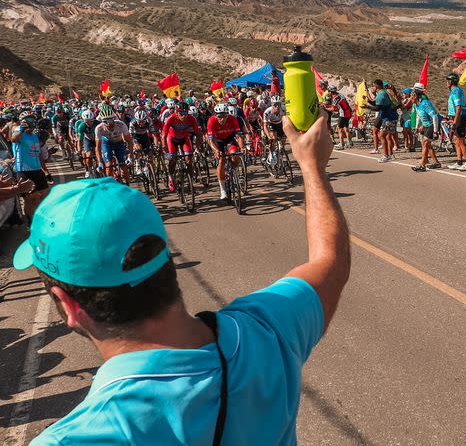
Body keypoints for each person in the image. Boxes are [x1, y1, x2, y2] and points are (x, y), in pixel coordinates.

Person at [15, 110, 350, 445]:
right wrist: (312, 167)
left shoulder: (76, 438)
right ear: (167, 262)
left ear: (67, 305)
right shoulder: (265, 330)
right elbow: (329, 262)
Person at [11, 114, 49, 218]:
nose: (32, 129)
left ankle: (41, 218)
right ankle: (30, 222)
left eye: (33, 127)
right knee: (31, 199)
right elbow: (13, 139)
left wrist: (46, 172)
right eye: (30, 127)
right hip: (24, 171)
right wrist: (22, 129)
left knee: (45, 195)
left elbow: (39, 155)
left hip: (37, 170)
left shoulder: (34, 137)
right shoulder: (19, 134)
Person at [208, 103, 246, 200]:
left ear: (227, 115)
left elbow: (238, 136)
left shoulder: (232, 119)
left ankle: (235, 171)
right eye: (219, 116)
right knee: (221, 161)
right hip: (218, 141)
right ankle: (223, 189)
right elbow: (211, 140)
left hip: (229, 139)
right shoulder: (211, 121)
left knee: (235, 154)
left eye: (224, 116)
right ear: (215, 115)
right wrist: (216, 151)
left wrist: (242, 147)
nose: (222, 119)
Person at [163, 102, 201, 192]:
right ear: (177, 112)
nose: (184, 116)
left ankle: (191, 183)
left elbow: (198, 134)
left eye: (186, 113)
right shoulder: (171, 118)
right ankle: (171, 178)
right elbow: (163, 135)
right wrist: (166, 150)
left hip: (184, 138)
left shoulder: (191, 118)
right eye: (182, 113)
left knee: (189, 160)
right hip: (172, 139)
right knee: (173, 160)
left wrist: (197, 148)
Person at [94, 106, 132, 183]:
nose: (108, 124)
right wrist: (100, 162)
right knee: (108, 166)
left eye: (110, 121)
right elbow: (97, 148)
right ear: (101, 121)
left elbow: (129, 141)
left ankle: (127, 187)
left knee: (123, 167)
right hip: (107, 144)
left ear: (114, 119)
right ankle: (110, 186)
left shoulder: (121, 124)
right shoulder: (99, 128)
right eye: (105, 122)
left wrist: (130, 157)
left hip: (119, 143)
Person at [363, 80, 398, 163]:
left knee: (381, 135)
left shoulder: (381, 94)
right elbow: (378, 104)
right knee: (387, 136)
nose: (372, 87)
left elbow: (377, 108)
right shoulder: (383, 92)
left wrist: (367, 106)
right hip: (390, 116)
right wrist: (369, 102)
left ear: (376, 87)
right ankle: (390, 155)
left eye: (373, 86)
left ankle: (385, 156)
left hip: (388, 118)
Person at [410, 83, 441, 172]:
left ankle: (422, 164)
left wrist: (435, 131)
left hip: (432, 124)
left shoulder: (425, 103)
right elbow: (418, 116)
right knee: (428, 145)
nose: (410, 98)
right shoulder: (416, 104)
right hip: (426, 125)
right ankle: (436, 162)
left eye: (411, 96)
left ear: (415, 96)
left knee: (424, 143)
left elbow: (434, 116)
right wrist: (416, 127)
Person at [446, 73, 466, 171]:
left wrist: (455, 121)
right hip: (455, 117)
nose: (446, 83)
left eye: (448, 80)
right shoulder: (453, 91)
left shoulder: (456, 91)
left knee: (460, 140)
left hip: (459, 117)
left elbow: (459, 107)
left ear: (451, 82)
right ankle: (459, 161)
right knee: (456, 140)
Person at [330, 85, 353, 149]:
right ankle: (349, 142)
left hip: (343, 114)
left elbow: (334, 108)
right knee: (346, 127)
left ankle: (341, 143)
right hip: (348, 112)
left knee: (339, 128)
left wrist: (325, 108)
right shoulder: (340, 94)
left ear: (331, 92)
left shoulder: (335, 98)